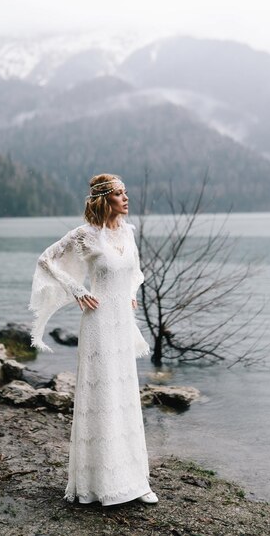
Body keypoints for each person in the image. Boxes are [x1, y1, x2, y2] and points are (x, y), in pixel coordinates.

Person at [28, 173, 158, 506]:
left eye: (126, 192)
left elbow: (135, 272)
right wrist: (77, 289)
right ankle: (96, 484)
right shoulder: (85, 235)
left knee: (125, 395)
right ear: (104, 200)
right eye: (119, 193)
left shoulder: (128, 232)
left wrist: (130, 293)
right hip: (98, 323)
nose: (126, 198)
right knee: (101, 400)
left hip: (121, 322)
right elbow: (46, 260)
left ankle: (134, 481)